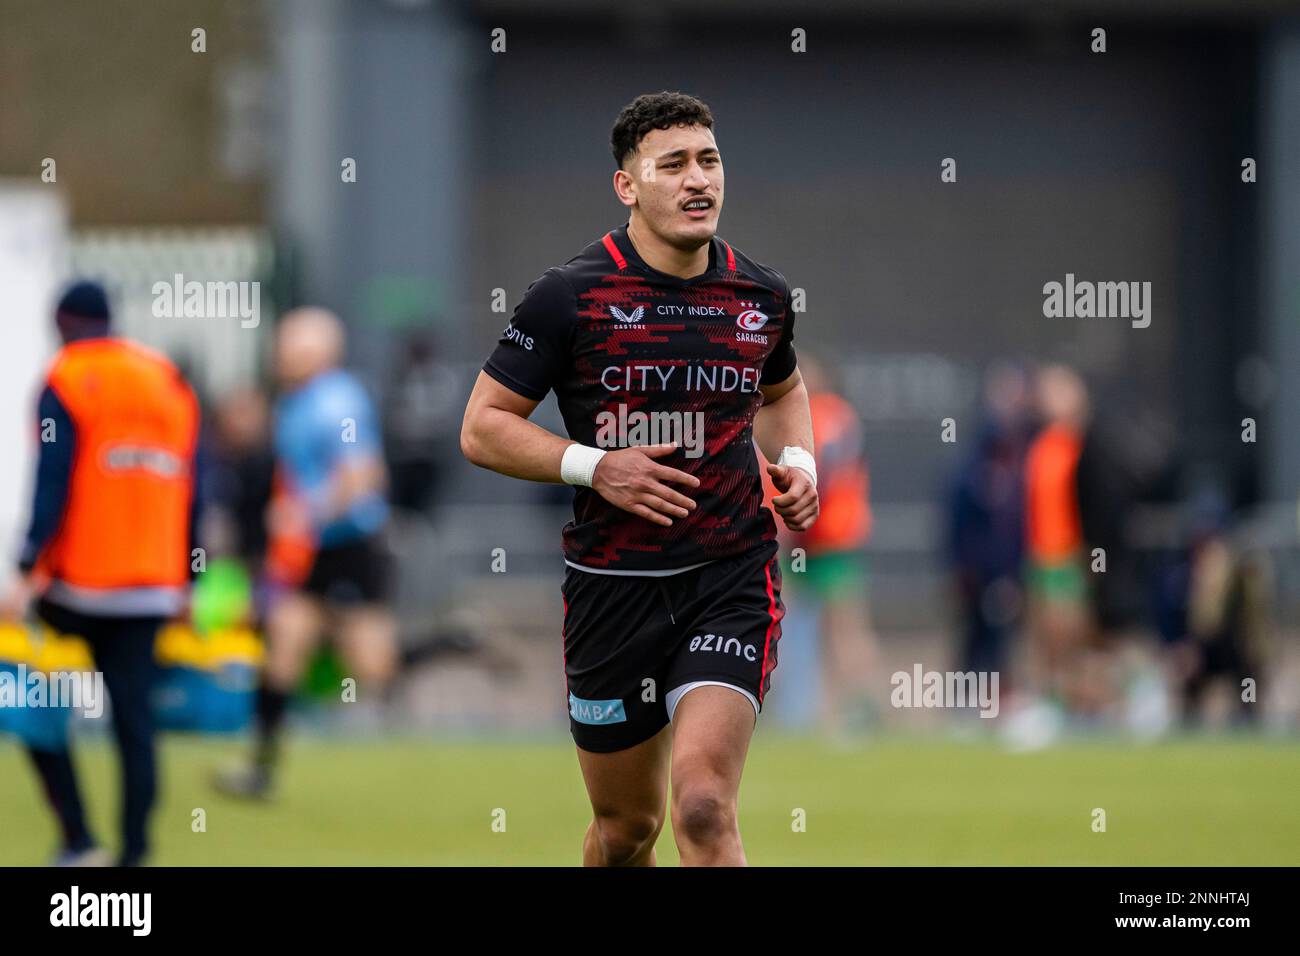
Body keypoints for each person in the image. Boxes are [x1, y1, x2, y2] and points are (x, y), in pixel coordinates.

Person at [461, 91, 819, 866]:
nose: (699, 180)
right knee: (627, 831)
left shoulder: (761, 296)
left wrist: (800, 465)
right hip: (611, 587)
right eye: (674, 164)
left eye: (710, 160)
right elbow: (482, 427)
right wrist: (596, 467)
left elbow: (784, 392)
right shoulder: (569, 296)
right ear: (628, 186)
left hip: (730, 575)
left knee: (701, 807)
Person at [0, 280, 200, 866]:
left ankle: (79, 839)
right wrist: (189, 578)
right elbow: (193, 487)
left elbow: (52, 480)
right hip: (152, 587)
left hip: (77, 585)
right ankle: (135, 855)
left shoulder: (66, 378)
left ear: (61, 321)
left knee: (32, 701)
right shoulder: (169, 382)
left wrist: (24, 566)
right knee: (135, 728)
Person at [215, 308, 397, 799]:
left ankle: (402, 759)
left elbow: (362, 474)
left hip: (351, 545)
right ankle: (260, 768)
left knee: (370, 660)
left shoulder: (337, 399)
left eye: (289, 346)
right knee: (283, 643)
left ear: (315, 352)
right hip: (310, 551)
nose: (279, 355)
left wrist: (306, 513)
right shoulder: (294, 403)